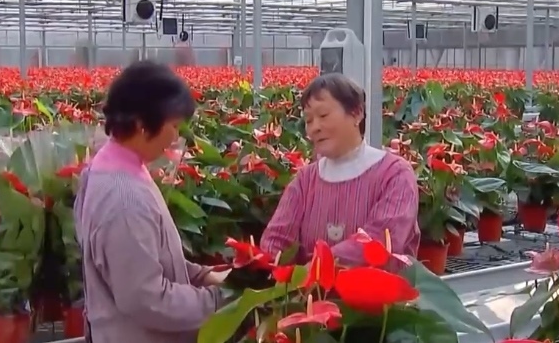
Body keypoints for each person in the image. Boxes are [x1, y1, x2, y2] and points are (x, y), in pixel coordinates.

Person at [74, 60, 227, 343]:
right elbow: (146, 299)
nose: (176, 136)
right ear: (142, 124)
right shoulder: (124, 199)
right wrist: (219, 300)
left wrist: (202, 275)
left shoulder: (113, 170)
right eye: (174, 125)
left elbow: (143, 259)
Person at [259, 73, 420, 268]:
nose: (314, 128)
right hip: (310, 286)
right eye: (309, 120)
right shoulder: (305, 180)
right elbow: (276, 240)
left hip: (372, 289)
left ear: (356, 113)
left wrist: (318, 267)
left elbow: (380, 242)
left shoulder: (394, 174)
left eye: (323, 116)